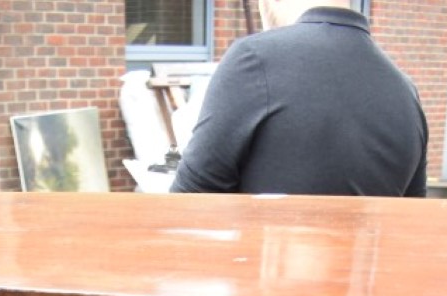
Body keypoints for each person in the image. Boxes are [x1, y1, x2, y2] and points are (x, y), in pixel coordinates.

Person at [170, 0, 427, 198]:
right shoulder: (406, 92)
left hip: (266, 265)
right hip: (368, 267)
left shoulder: (254, 59)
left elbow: (188, 204)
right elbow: (407, 224)